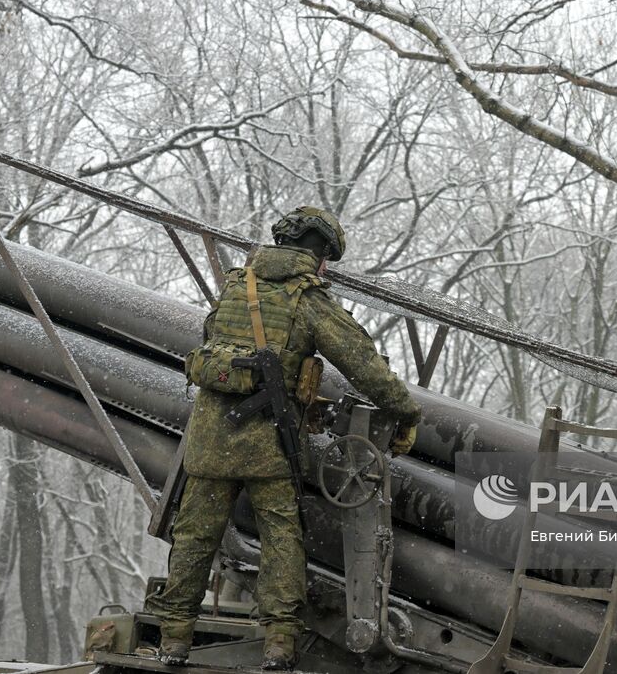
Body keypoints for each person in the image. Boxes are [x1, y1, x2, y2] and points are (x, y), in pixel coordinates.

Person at [143, 206, 421, 671]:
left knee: (194, 537)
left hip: (210, 439)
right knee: (281, 540)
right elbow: (362, 362)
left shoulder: (235, 286)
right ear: (321, 257)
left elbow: (211, 342)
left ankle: (174, 639)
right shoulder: (308, 300)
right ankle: (278, 644)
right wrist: (406, 410)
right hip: (269, 442)